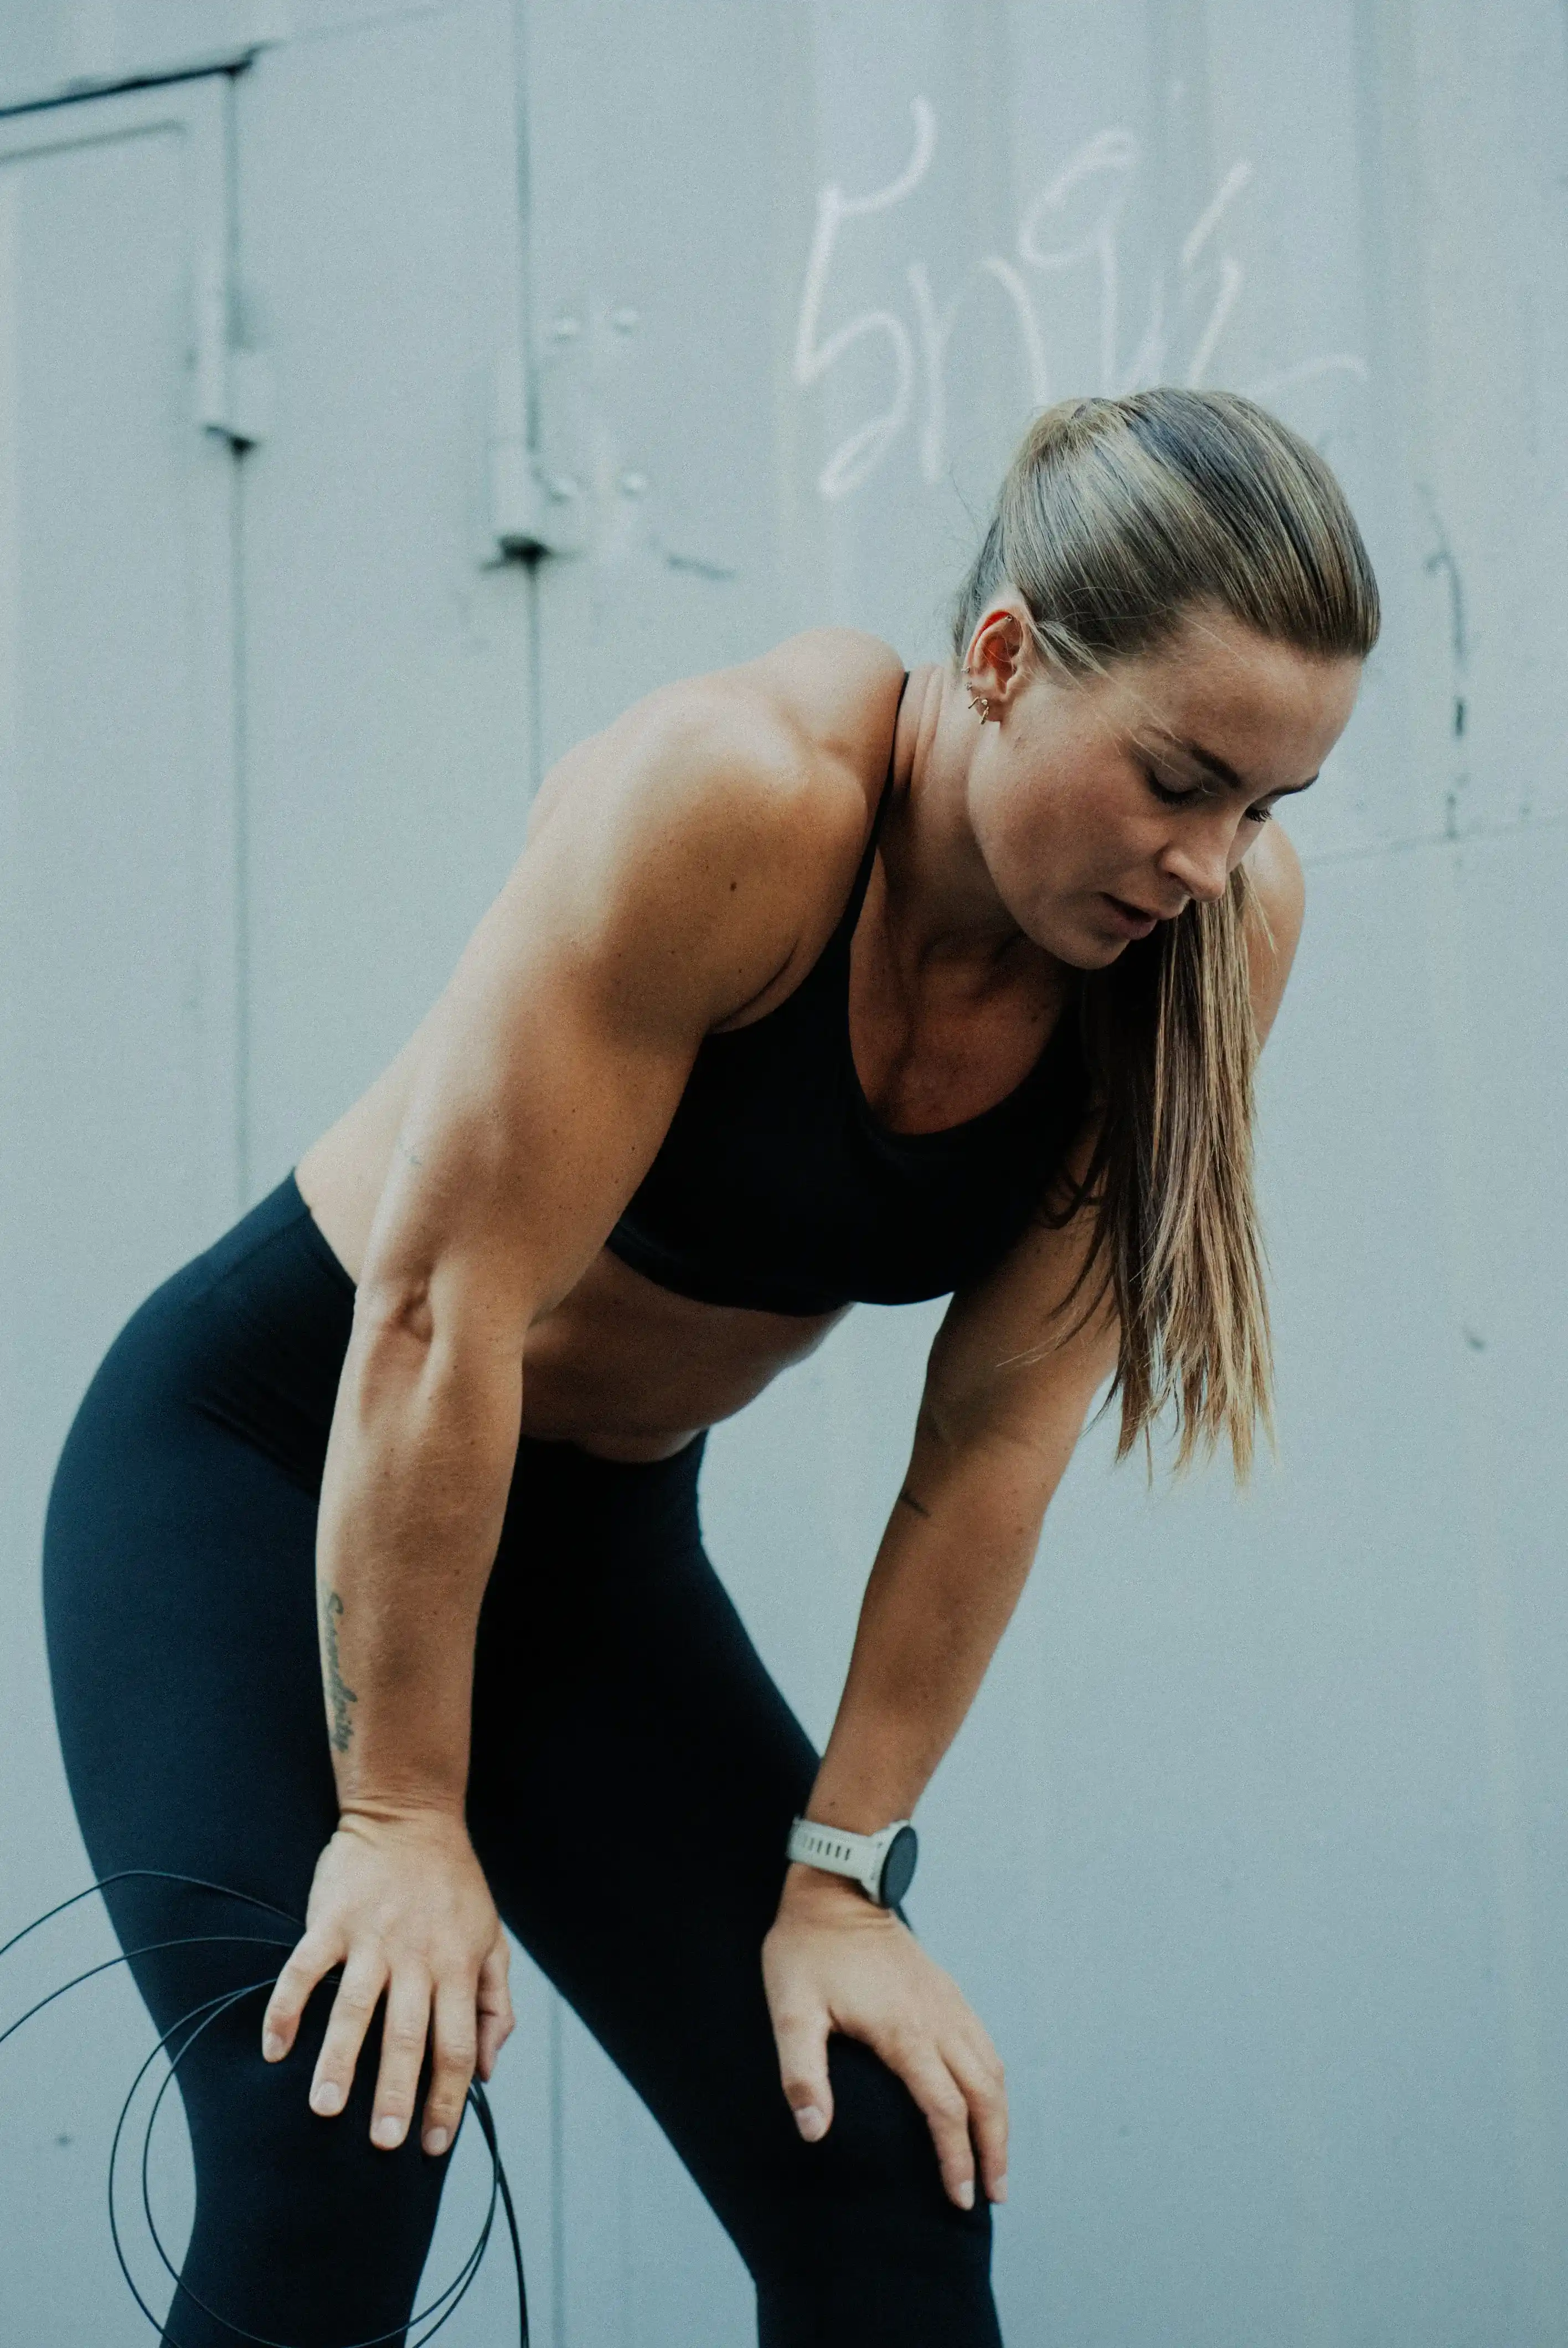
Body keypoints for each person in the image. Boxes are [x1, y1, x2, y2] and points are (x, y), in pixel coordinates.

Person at [43, 388, 1378, 2347]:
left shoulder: (1207, 944)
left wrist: (838, 1879)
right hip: (274, 1464)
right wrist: (402, 1820)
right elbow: (434, 1314)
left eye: (1265, 805)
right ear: (1003, 659)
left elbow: (994, 1442)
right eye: (1178, 776)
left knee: (884, 2176)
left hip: (584, 1549)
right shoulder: (737, 799)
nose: (1209, 854)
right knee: (342, 2127)